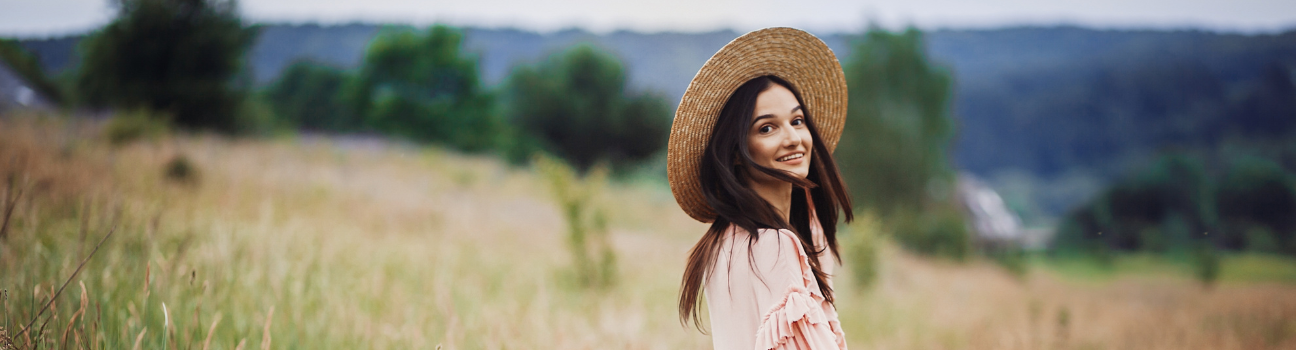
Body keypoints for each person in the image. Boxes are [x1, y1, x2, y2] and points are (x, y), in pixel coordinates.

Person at [667, 27, 854, 350]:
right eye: (767, 128)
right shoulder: (775, 245)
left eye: (797, 121)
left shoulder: (721, 243)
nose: (793, 138)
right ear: (737, 152)